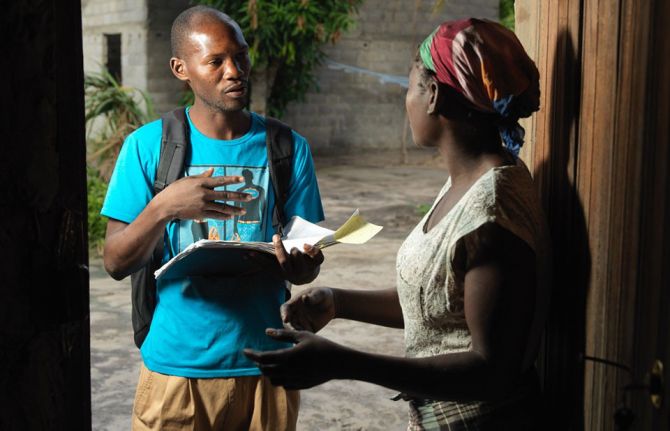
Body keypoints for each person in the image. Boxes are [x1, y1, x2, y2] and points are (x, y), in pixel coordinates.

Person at [244, 18, 550, 429]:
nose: (404, 101)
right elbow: (440, 302)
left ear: (434, 95)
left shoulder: (491, 211)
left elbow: (492, 369)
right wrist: (337, 302)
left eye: (410, 87)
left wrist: (343, 361)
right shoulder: (468, 182)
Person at [101, 5, 324, 430]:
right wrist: (165, 205)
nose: (235, 70)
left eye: (240, 56)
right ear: (180, 68)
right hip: (178, 369)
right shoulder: (148, 147)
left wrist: (305, 263)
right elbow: (115, 261)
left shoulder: (287, 147)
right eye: (216, 61)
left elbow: (306, 256)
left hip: (268, 365)